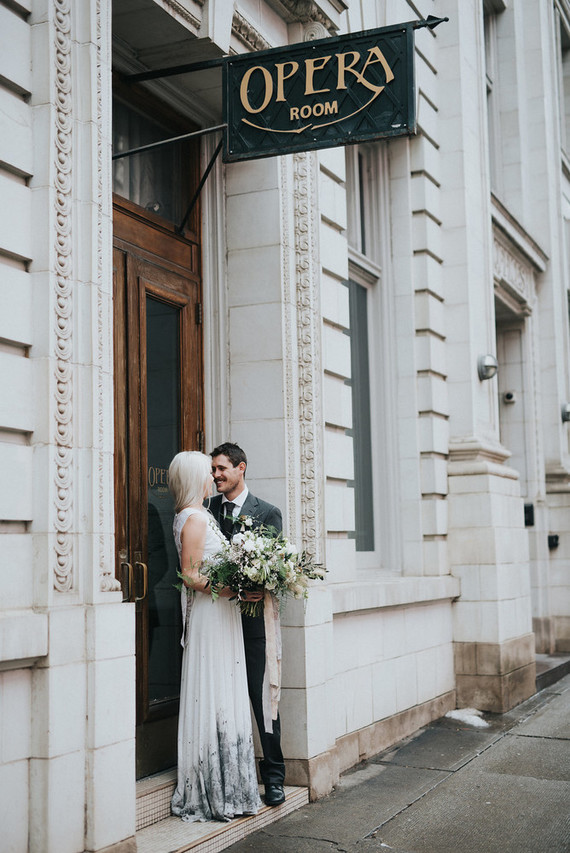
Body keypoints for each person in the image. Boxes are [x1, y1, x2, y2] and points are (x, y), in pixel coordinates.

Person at [169, 450, 262, 822]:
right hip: (211, 614)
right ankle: (211, 786)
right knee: (215, 691)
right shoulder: (192, 518)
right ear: (195, 478)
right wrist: (234, 590)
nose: (213, 476)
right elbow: (191, 575)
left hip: (222, 614)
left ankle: (233, 784)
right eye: (207, 471)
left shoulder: (200, 514)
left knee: (227, 691)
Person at [209, 442, 286, 807]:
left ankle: (274, 777)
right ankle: (230, 775)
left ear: (242, 468)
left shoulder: (267, 513)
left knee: (261, 701)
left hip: (252, 624)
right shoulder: (205, 510)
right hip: (215, 623)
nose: (216, 475)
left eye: (222, 468)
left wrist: (256, 585)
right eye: (213, 470)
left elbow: (273, 566)